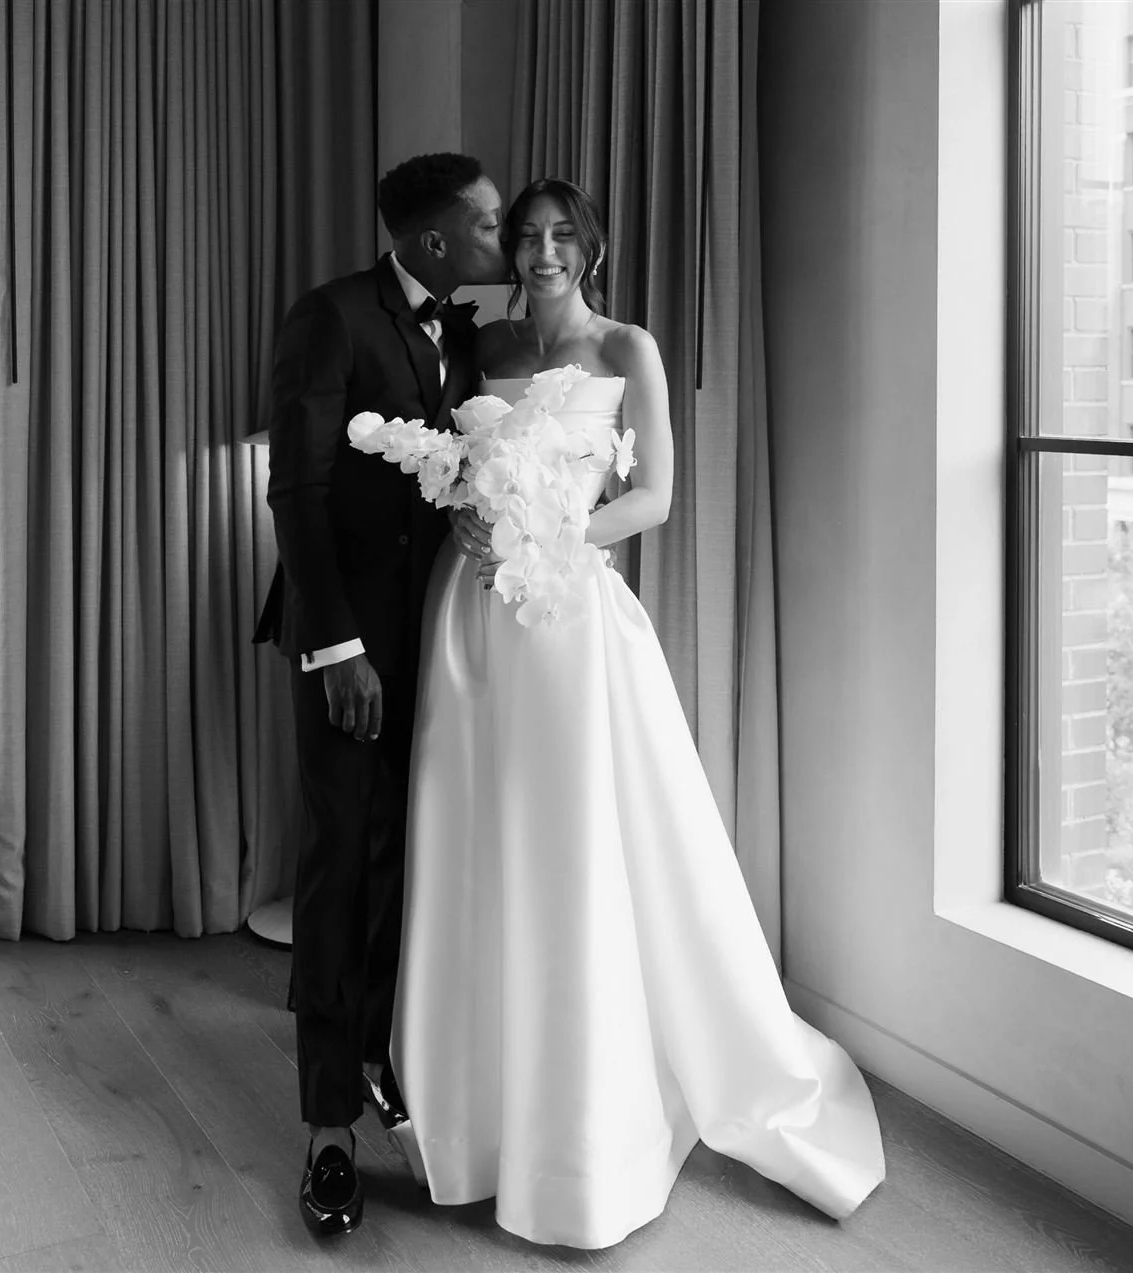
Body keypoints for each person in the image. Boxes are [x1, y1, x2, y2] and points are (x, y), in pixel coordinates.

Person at [390, 178, 888, 1249]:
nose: (541, 253)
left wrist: (556, 537)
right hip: (471, 617)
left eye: (561, 236)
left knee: (572, 845)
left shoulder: (628, 350)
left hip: (568, 614)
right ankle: (473, 1110)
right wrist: (476, 518)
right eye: (524, 238)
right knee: (475, 836)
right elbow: (455, 466)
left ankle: (581, 1127)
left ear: (591, 247)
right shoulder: (481, 350)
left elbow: (654, 493)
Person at [254, 151, 506, 1238]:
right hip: (351, 651)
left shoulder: (465, 329)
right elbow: (296, 486)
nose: (501, 244)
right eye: (489, 226)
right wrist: (337, 648)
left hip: (442, 638)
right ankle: (323, 1131)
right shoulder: (330, 317)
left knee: (412, 863)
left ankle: (389, 1064)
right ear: (435, 238)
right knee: (339, 865)